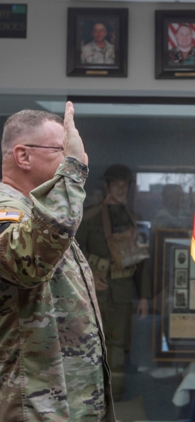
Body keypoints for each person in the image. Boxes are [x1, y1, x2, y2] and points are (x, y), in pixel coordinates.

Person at [0, 103, 114, 421]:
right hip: (33, 406)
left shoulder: (39, 211)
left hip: (67, 403)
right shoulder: (8, 208)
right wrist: (74, 169)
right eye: (61, 151)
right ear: (23, 156)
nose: (73, 160)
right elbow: (28, 262)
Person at [76, 164, 151, 401]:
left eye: (125, 185)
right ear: (107, 185)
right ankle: (90, 397)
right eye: (116, 184)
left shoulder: (135, 220)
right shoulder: (88, 216)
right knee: (89, 341)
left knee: (118, 345)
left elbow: (142, 263)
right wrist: (89, 275)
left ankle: (114, 398)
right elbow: (72, 251)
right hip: (93, 291)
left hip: (122, 292)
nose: (121, 189)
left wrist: (145, 297)